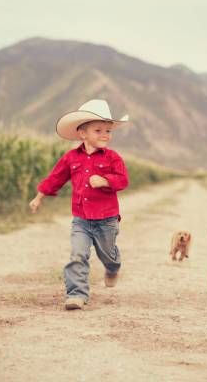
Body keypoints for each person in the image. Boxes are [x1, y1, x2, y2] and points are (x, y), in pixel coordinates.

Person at [28, 99, 130, 310]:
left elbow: (123, 180)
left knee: (108, 255)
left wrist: (105, 180)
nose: (105, 135)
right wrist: (39, 197)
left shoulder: (113, 158)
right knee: (78, 254)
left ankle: (112, 268)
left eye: (108, 131)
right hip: (81, 219)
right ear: (83, 134)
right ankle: (77, 294)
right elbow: (55, 178)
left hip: (107, 220)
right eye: (98, 130)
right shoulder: (71, 158)